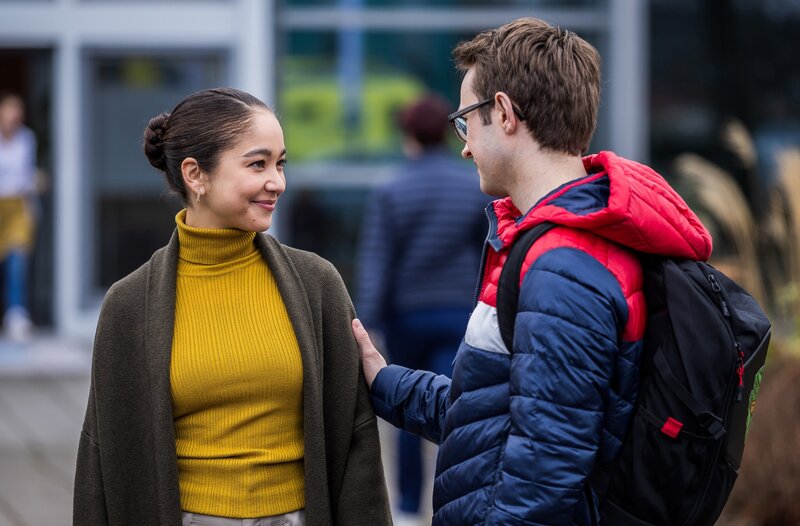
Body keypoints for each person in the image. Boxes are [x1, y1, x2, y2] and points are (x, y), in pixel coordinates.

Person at [352, 17, 713, 525]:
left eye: (466, 121)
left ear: (502, 113)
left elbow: (546, 470)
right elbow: (493, 414)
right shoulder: (559, 243)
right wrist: (385, 381)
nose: (463, 145)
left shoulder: (562, 265)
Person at [73, 87, 391, 526]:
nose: (277, 181)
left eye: (281, 164)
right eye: (258, 164)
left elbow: (356, 444)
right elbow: (102, 460)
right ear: (195, 175)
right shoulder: (128, 305)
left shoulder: (317, 283)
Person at [355, 93, 488, 524]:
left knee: (407, 403)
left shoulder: (392, 188)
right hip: (457, 312)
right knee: (458, 406)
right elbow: (485, 251)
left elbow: (379, 259)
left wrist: (368, 320)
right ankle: (457, 501)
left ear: (409, 134)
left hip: (407, 315)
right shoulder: (470, 185)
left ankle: (409, 509)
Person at [0, 92, 38, 342]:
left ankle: (16, 315)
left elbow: (27, 176)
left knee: (17, 264)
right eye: (9, 111)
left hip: (18, 206)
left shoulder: (26, 139)